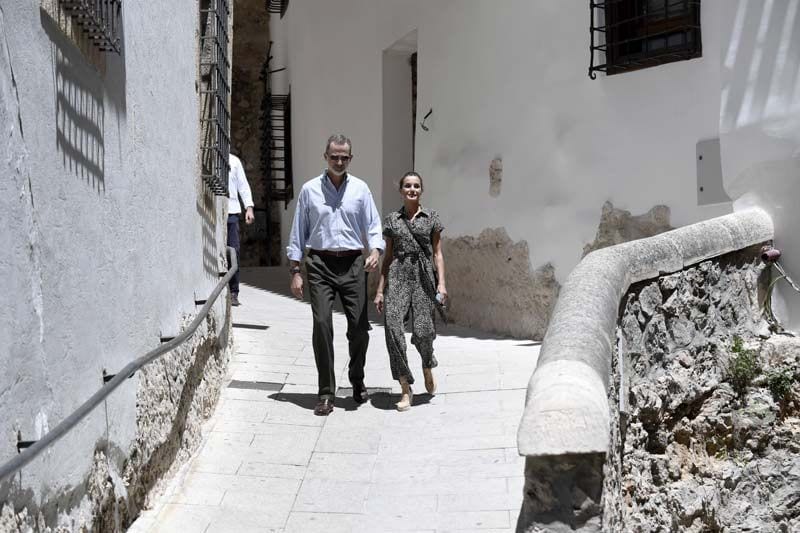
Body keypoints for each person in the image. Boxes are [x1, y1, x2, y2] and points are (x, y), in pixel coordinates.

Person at [286, 134, 384, 416]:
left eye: (344, 157)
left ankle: (357, 379)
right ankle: (326, 392)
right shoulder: (309, 190)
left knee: (359, 328)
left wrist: (375, 250)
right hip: (319, 264)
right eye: (334, 157)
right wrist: (295, 270)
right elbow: (298, 231)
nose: (339, 161)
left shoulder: (361, 190)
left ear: (351, 159)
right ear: (325, 157)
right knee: (322, 324)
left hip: (354, 263)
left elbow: (374, 225)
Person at [374, 171, 447, 411]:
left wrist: (442, 284)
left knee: (424, 331)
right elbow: (387, 257)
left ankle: (427, 362)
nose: (412, 189)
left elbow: (437, 254)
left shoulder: (432, 217)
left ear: (421, 190)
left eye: (416, 186)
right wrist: (380, 290)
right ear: (401, 190)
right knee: (393, 329)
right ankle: (405, 388)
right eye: (407, 186)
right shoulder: (392, 220)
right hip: (398, 274)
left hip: (424, 276)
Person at [228, 152, 254, 307]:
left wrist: (249, 208)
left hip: (231, 212)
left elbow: (243, 185)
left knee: (234, 251)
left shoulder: (234, 161)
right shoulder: (210, 156)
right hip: (212, 210)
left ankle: (233, 291)